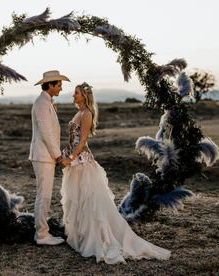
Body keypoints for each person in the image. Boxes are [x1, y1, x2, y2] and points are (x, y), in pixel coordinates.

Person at [60, 82, 171, 264]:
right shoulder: (79, 112)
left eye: (77, 93)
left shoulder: (86, 113)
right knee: (79, 199)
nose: (73, 95)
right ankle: (82, 237)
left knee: (90, 201)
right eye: (74, 93)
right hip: (75, 161)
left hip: (82, 162)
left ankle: (98, 239)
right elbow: (74, 138)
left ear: (85, 96)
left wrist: (69, 158)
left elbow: (83, 142)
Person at [28, 70, 70, 245]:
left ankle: (42, 232)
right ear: (51, 85)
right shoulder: (41, 104)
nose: (61, 87)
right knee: (43, 196)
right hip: (43, 156)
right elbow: (46, 133)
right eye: (59, 84)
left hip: (45, 156)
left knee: (44, 195)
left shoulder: (47, 102)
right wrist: (58, 156)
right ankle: (42, 235)